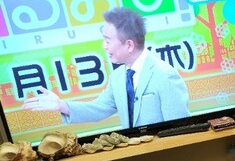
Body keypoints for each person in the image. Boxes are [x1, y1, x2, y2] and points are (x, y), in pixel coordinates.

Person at [22, 7, 191, 129]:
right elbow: (98, 109)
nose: (104, 46)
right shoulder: (118, 77)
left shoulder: (164, 75)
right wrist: (61, 105)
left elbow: (180, 129)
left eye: (108, 40)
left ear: (129, 45)